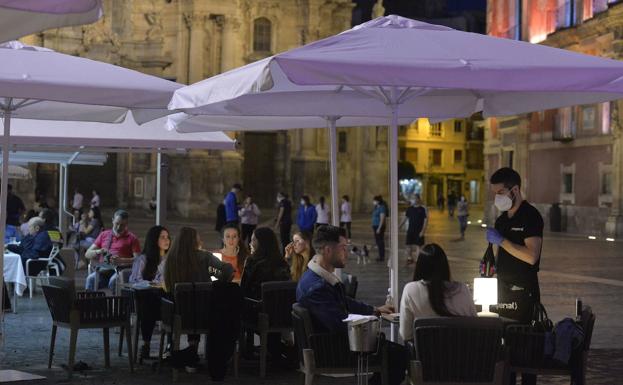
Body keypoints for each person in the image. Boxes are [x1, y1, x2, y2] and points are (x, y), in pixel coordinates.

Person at [296, 225, 406, 385]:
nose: (347, 253)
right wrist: (371, 324)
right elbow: (339, 325)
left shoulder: (316, 277)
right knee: (398, 354)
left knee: (393, 351)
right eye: (343, 248)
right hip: (333, 350)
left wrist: (374, 310)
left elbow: (343, 302)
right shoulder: (317, 287)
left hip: (330, 344)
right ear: (327, 250)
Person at [163, 227, 235, 368]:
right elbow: (228, 270)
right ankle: (196, 352)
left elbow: (168, 286)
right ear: (193, 241)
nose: (200, 240)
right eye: (198, 237)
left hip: (177, 315)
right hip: (205, 314)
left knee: (188, 303)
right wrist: (219, 280)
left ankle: (184, 351)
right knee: (201, 302)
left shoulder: (170, 259)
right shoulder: (204, 257)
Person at [399, 243, 476, 341]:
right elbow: (475, 324)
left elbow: (405, 334)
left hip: (426, 354)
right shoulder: (462, 289)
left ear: (420, 266)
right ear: (445, 266)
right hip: (461, 353)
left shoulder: (410, 290)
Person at [241, 227, 291, 360]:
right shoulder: (282, 263)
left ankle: (245, 350)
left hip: (257, 313)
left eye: (253, 240)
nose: (250, 243)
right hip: (281, 313)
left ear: (261, 243)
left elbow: (244, 289)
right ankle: (277, 350)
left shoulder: (252, 262)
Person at [129, 225, 171, 359]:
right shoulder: (143, 259)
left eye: (167, 237)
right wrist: (153, 285)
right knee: (150, 299)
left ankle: (170, 345)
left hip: (166, 301)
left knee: (174, 298)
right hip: (148, 301)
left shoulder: (170, 260)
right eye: (162, 237)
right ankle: (146, 344)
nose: (167, 240)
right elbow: (135, 281)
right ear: (154, 240)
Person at [84, 209, 141, 291]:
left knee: (114, 281)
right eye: (117, 223)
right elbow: (87, 254)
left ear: (126, 224)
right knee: (90, 279)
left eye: (122, 225)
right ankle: (91, 303)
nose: (118, 227)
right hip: (103, 271)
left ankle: (115, 303)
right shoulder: (104, 234)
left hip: (120, 271)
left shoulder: (132, 238)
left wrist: (121, 260)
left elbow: (138, 259)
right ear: (112, 220)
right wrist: (99, 251)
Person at [399, 194, 427, 265]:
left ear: (418, 199)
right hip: (410, 230)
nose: (412, 200)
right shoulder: (410, 209)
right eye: (411, 198)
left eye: (414, 198)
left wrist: (423, 231)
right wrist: (399, 226)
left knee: (419, 246)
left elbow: (425, 221)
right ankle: (409, 258)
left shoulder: (422, 209)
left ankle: (417, 260)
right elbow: (405, 218)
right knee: (408, 245)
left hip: (419, 231)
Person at [371, 195, 387, 262]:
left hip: (379, 226)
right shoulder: (376, 207)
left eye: (374, 200)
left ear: (377, 201)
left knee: (380, 242)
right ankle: (380, 255)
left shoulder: (382, 208)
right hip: (375, 226)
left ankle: (382, 256)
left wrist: (379, 228)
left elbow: (382, 218)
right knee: (378, 241)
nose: (373, 202)